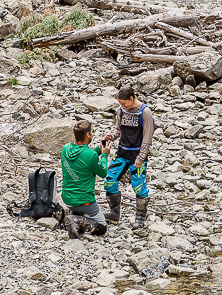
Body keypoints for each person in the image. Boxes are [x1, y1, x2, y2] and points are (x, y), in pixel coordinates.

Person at [105, 83, 154, 232]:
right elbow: (118, 129)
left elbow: (147, 137)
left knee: (138, 185)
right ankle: (114, 213)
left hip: (137, 155)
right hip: (121, 153)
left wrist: (141, 157)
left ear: (132, 98)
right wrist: (111, 137)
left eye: (124, 103)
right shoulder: (121, 111)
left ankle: (140, 218)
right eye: (120, 104)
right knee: (109, 180)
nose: (122, 106)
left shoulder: (145, 112)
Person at [60, 118, 110, 238]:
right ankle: (77, 220)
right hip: (84, 201)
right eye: (91, 132)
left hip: (67, 199)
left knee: (79, 208)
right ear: (87, 134)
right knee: (102, 227)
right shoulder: (90, 155)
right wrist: (104, 155)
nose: (92, 134)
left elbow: (84, 159)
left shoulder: (66, 148)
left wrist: (100, 146)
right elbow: (103, 173)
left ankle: (75, 215)